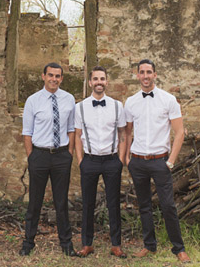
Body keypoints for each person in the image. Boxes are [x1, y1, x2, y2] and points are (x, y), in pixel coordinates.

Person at [124, 59, 191, 263]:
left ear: (155, 74)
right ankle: (149, 246)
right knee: (144, 205)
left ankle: (178, 248)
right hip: (138, 161)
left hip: (160, 161)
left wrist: (170, 161)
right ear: (137, 75)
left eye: (149, 72)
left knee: (168, 205)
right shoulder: (131, 102)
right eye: (142, 72)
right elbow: (127, 132)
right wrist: (127, 157)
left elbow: (179, 133)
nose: (145, 76)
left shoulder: (168, 100)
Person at [19, 62, 77, 257]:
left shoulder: (69, 99)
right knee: (35, 201)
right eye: (50, 75)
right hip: (40, 155)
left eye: (58, 76)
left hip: (61, 155)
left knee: (61, 202)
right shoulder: (32, 101)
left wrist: (69, 153)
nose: (54, 79)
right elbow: (27, 132)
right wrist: (32, 157)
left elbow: (71, 129)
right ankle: (28, 242)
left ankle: (66, 244)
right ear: (43, 76)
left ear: (61, 78)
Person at [74, 66, 127, 258]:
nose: (99, 82)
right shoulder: (79, 107)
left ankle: (116, 244)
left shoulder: (116, 106)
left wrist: (120, 160)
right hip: (90, 161)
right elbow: (78, 136)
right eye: (95, 79)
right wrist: (81, 161)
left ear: (106, 82)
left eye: (102, 79)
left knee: (114, 203)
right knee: (88, 204)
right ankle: (87, 244)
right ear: (90, 82)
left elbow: (123, 133)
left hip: (112, 161)